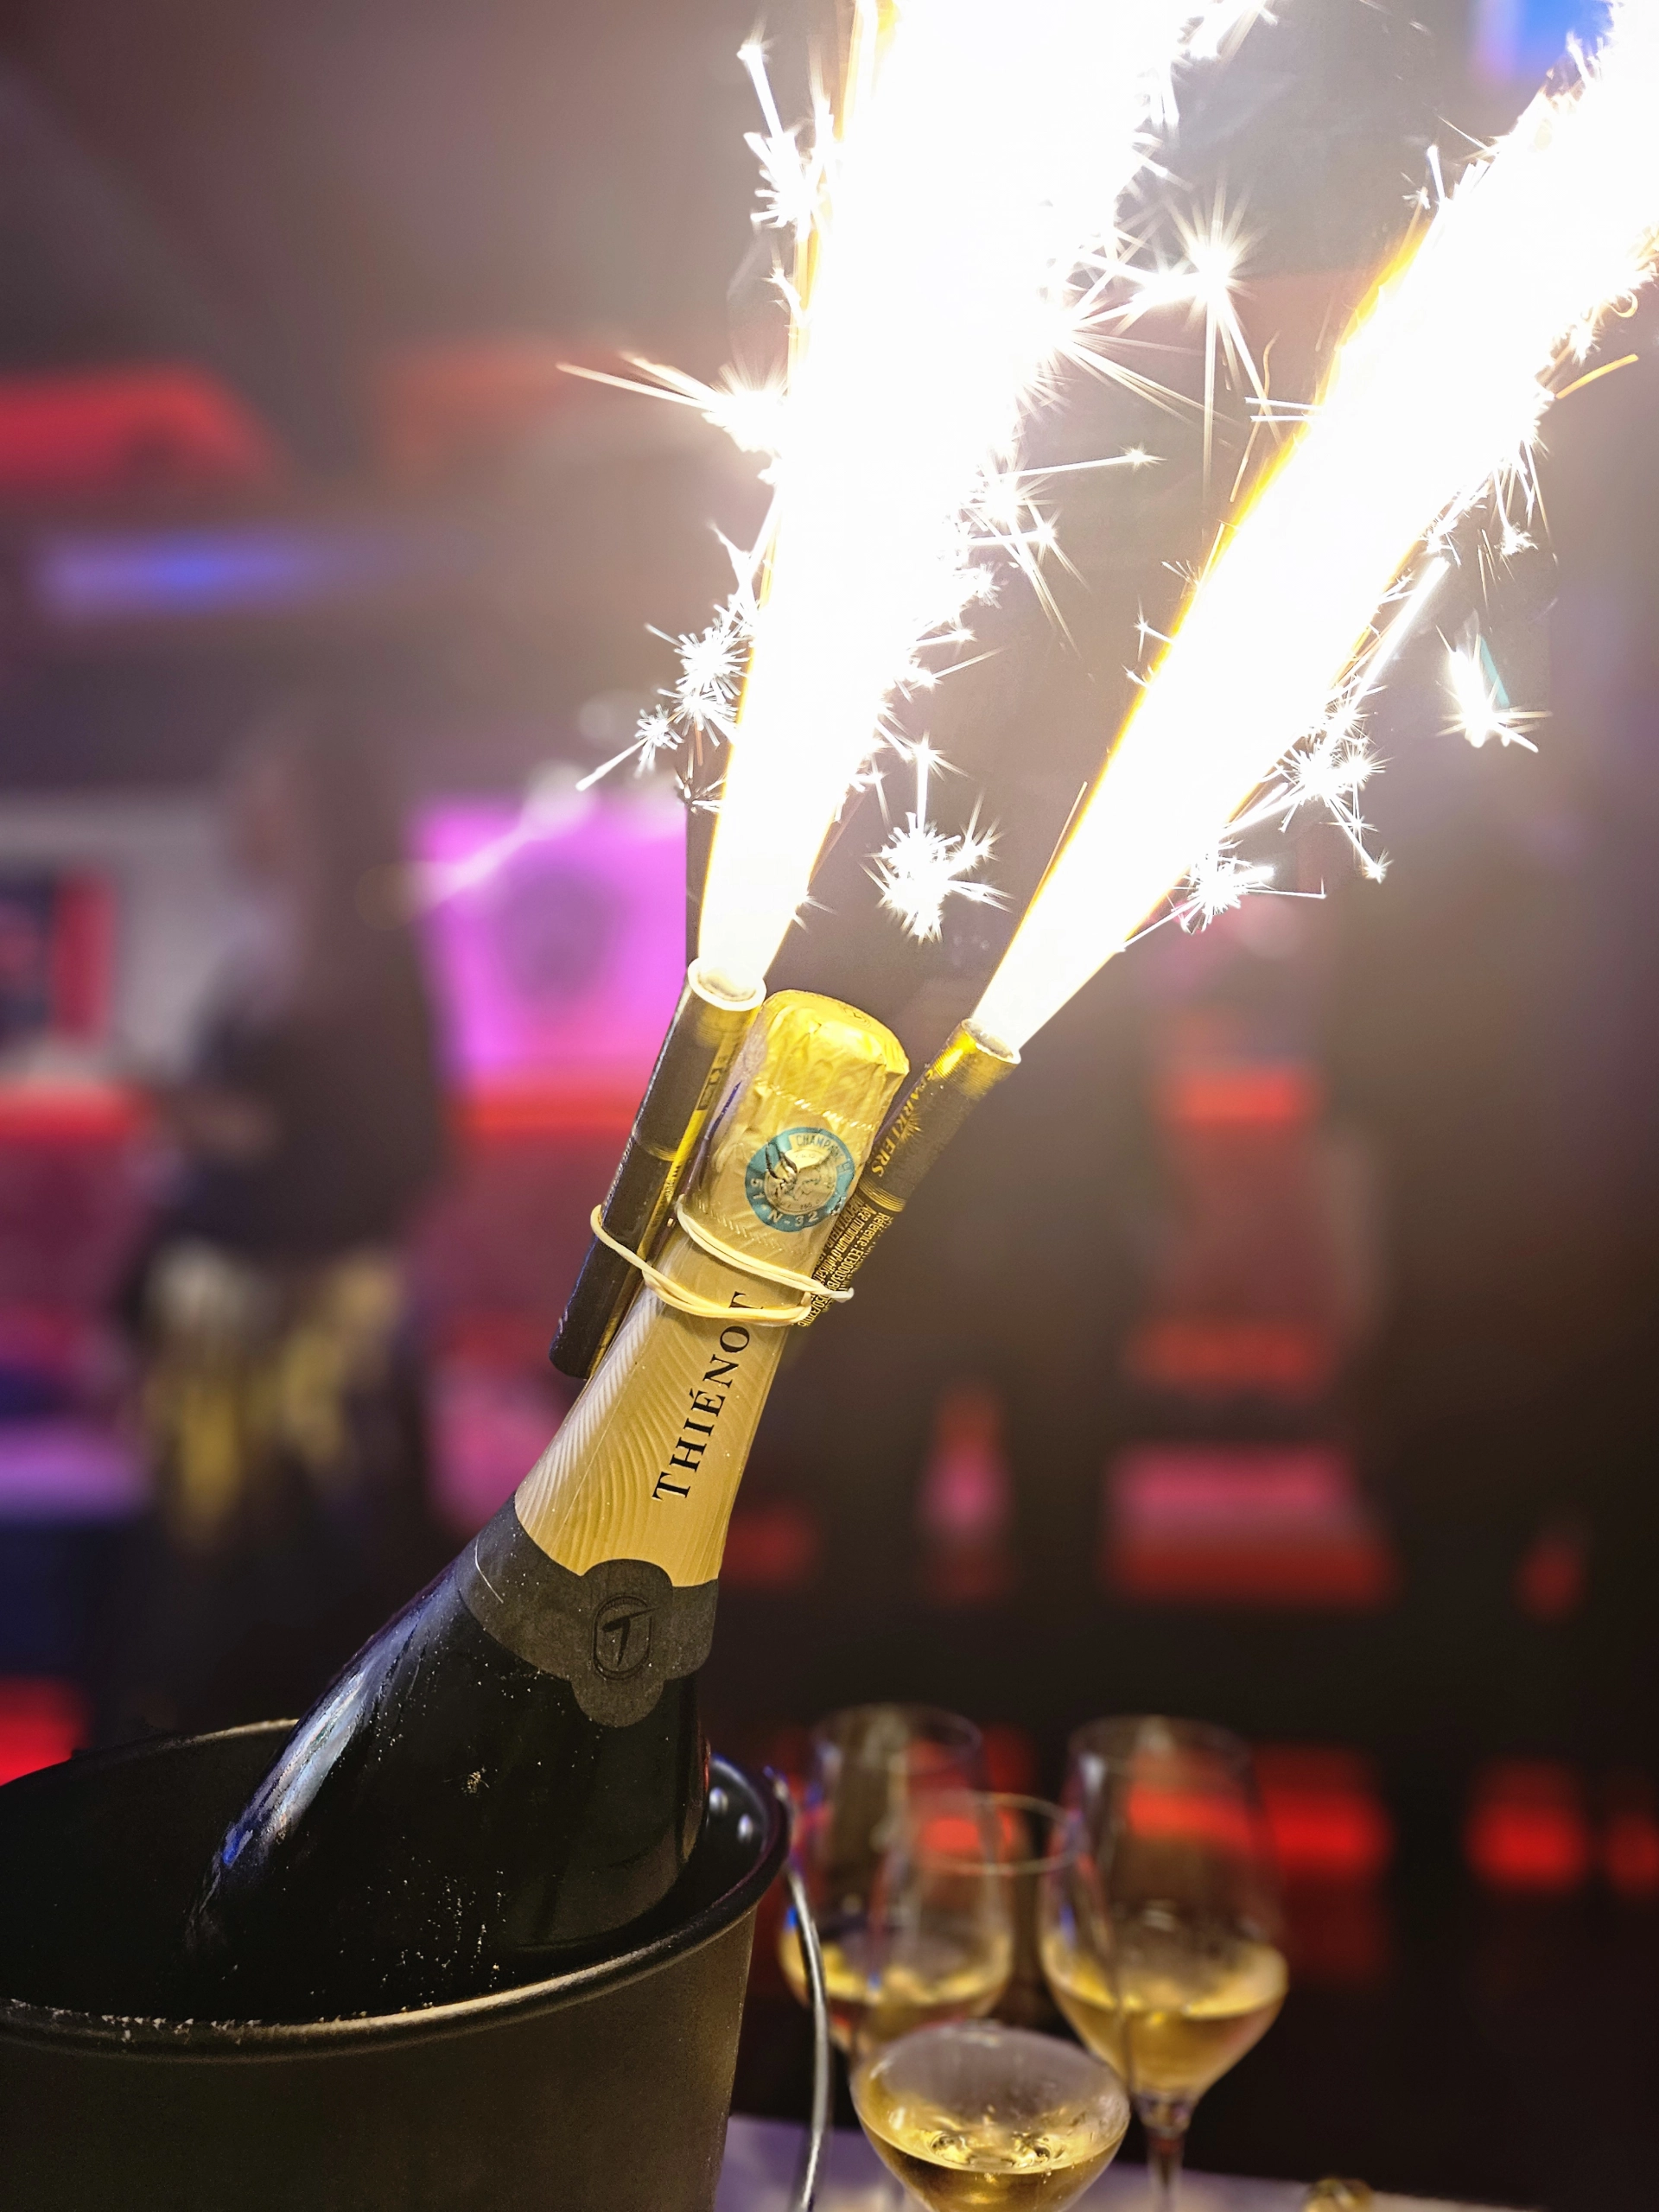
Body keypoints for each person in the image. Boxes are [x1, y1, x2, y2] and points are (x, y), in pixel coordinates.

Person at [111, 708, 448, 1736]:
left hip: (322, 1356)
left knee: (321, 1612)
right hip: (211, 1352)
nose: (239, 818)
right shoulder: (253, 969)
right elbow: (193, 1180)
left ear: (318, 817)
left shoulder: (378, 972)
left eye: (264, 798)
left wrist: (246, 1130)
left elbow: (409, 1154)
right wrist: (126, 1311)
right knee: (198, 1613)